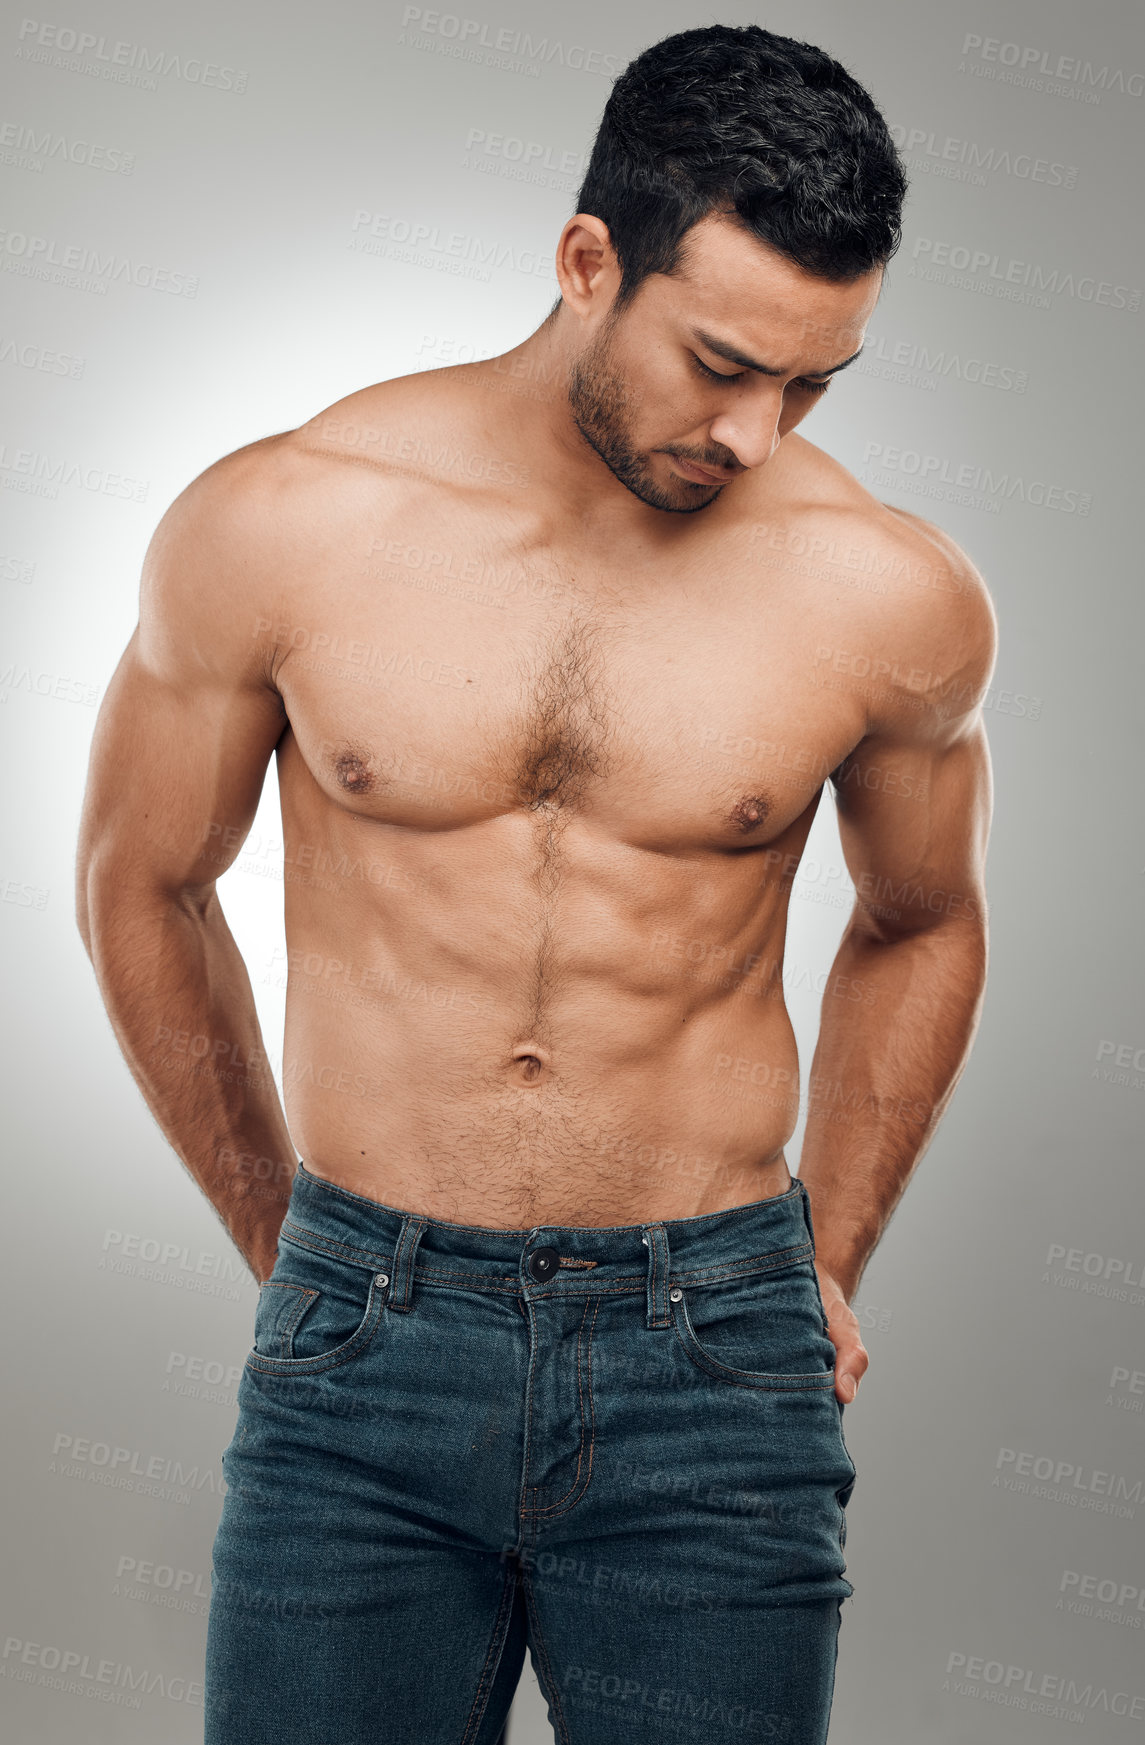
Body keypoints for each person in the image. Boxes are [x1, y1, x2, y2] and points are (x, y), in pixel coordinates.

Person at [75, 22, 995, 1744]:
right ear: (587, 262)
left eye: (810, 384)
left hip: (715, 1358)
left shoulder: (882, 594)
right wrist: (294, 1250)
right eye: (721, 361)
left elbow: (921, 916)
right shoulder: (286, 522)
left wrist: (828, 1253)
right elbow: (143, 877)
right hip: (366, 1341)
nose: (756, 429)